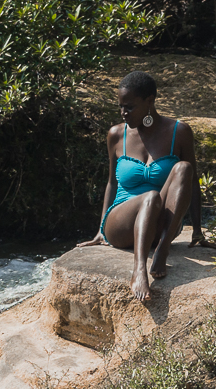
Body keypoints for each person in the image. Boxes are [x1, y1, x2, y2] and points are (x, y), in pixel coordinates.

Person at [89, 71, 208, 303]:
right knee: (149, 196)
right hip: (121, 224)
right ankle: (139, 270)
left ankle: (162, 248)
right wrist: (99, 230)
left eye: (130, 107)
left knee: (184, 168)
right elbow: (112, 183)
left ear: (150, 101)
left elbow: (191, 183)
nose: (124, 113)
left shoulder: (179, 132)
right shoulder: (116, 134)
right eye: (120, 107)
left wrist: (197, 232)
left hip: (161, 224)